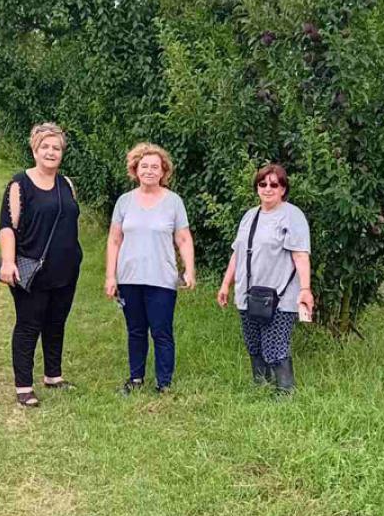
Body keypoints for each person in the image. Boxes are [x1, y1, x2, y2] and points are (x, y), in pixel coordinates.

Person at [0, 123, 82, 408]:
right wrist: (8, 262)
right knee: (28, 326)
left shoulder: (66, 183)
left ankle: (53, 376)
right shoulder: (20, 184)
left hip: (66, 268)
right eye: (45, 146)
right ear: (34, 150)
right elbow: (7, 227)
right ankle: (24, 385)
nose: (51, 152)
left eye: (56, 148)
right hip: (31, 269)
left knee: (56, 323)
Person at [105, 143, 195, 394]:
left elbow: (183, 239)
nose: (149, 171)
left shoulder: (174, 202)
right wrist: (111, 276)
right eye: (144, 166)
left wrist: (189, 269)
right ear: (135, 169)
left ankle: (163, 383)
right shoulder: (124, 202)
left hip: (162, 278)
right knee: (135, 331)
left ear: (163, 171)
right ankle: (136, 379)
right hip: (129, 277)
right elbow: (114, 240)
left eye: (155, 167)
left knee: (161, 331)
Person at [217, 164, 314, 394]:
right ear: (256, 187)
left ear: (283, 189)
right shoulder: (250, 216)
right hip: (249, 294)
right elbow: (237, 253)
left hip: (279, 295)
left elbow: (300, 255)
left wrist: (305, 289)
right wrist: (225, 284)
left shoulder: (292, 216)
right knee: (253, 343)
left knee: (275, 345)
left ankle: (285, 391)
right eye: (263, 184)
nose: (268, 189)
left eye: (274, 184)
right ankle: (261, 386)